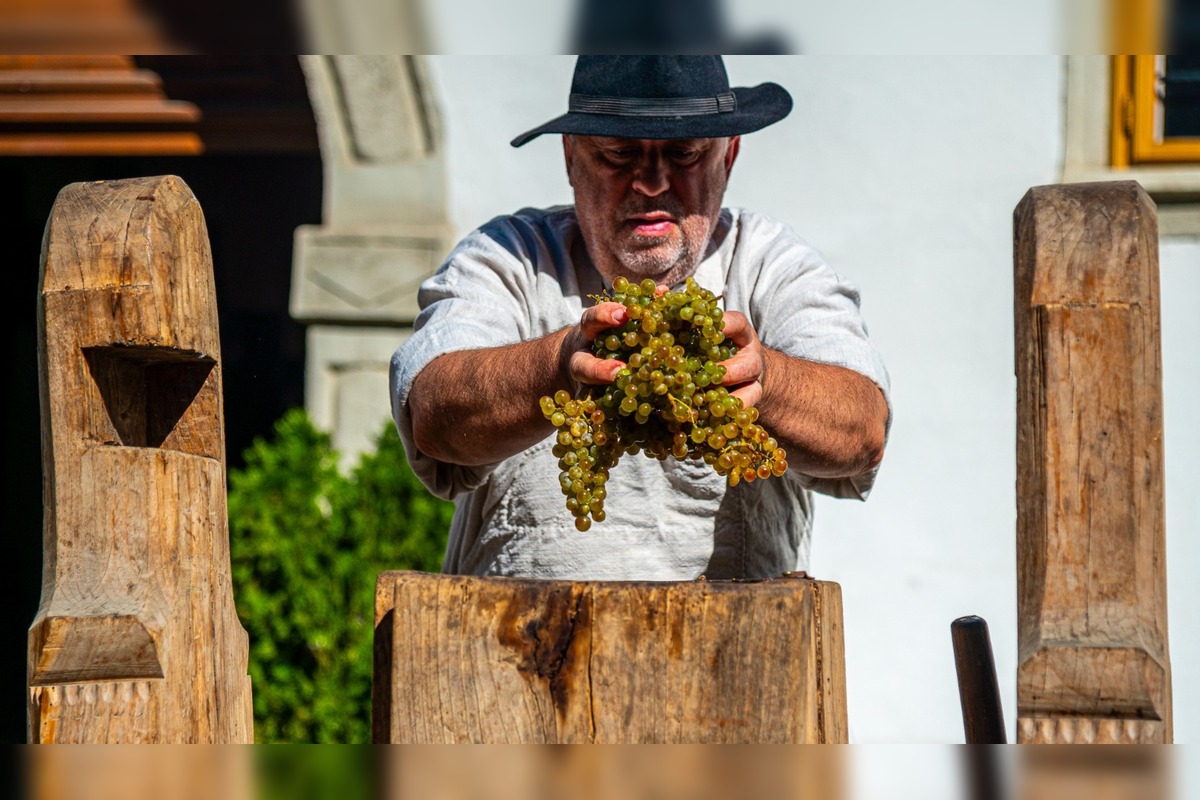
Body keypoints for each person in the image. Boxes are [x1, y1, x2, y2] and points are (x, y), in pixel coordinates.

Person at [390, 56, 890, 581]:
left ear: (728, 155)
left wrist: (767, 379)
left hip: (736, 635)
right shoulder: (509, 258)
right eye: (619, 153)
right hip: (519, 631)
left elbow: (862, 430)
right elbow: (433, 414)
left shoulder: (772, 265)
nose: (651, 182)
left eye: (684, 153)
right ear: (571, 156)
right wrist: (558, 365)